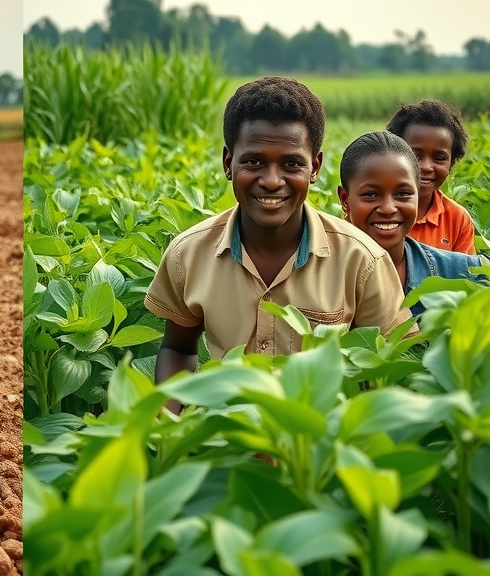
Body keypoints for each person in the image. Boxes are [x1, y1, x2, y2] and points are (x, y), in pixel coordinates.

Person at [144, 77, 411, 411]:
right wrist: (168, 429)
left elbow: (388, 365)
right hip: (225, 437)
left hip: (318, 444)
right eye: (253, 161)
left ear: (314, 167)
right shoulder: (188, 253)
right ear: (229, 163)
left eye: (291, 164)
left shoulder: (362, 260)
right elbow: (178, 348)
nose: (271, 181)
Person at [337, 131, 484, 316]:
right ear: (345, 200)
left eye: (403, 194)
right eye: (371, 195)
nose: (389, 208)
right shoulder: (319, 277)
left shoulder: (456, 271)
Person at [386, 99, 477, 255]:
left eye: (439, 158)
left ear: (452, 162)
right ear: (394, 153)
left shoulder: (457, 219)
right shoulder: (374, 210)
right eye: (416, 155)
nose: (426, 167)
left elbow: (467, 276)